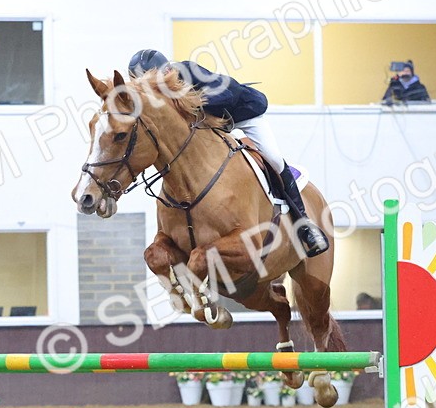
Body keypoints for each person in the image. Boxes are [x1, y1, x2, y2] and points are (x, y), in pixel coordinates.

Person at [128, 48, 329, 257]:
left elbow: (226, 96)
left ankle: (304, 225)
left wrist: (190, 102)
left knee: (275, 160)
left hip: (243, 114)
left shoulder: (188, 70)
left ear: (167, 70)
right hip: (212, 125)